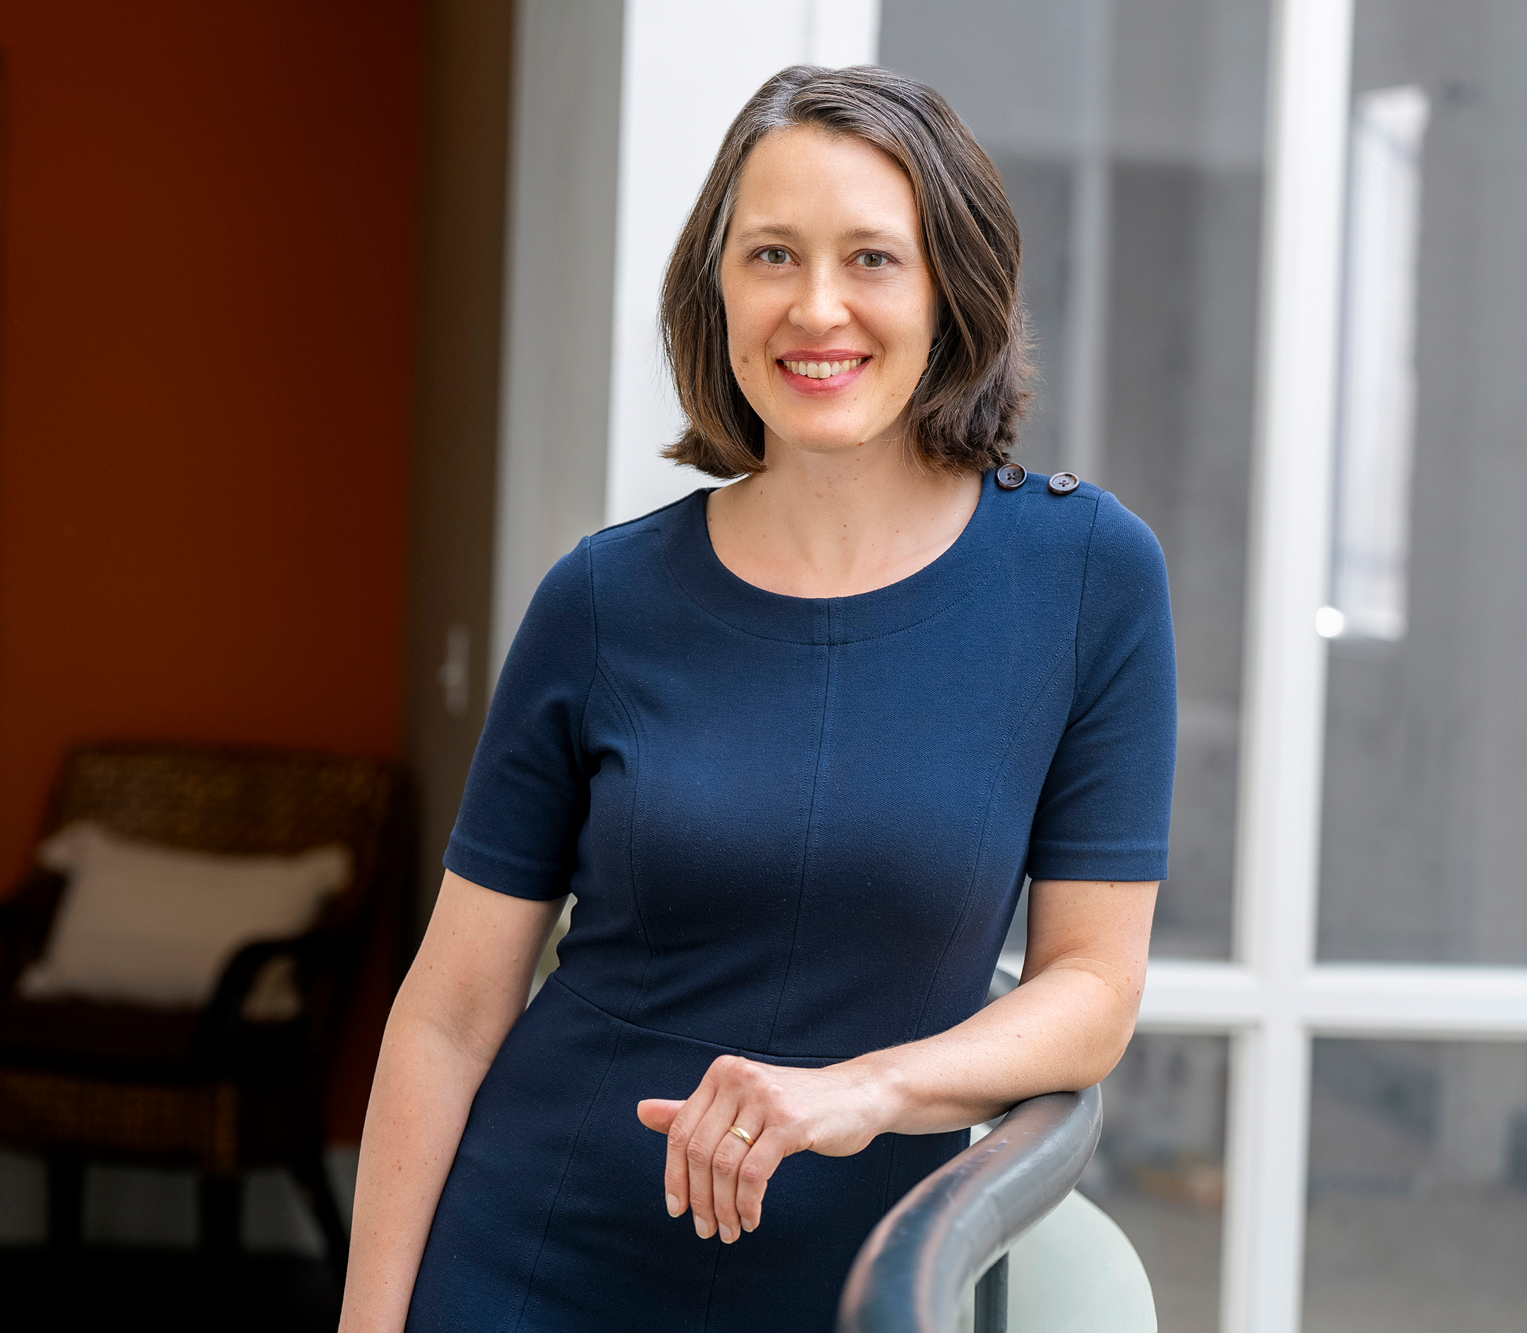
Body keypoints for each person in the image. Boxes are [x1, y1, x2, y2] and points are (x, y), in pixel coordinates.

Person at [342, 64, 1175, 1332]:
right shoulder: (601, 597)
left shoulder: (1085, 579)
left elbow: (1090, 990)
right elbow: (449, 1015)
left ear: (952, 286)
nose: (816, 307)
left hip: (852, 1282)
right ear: (715, 288)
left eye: (871, 259)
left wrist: (867, 1090)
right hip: (534, 1257)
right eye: (770, 254)